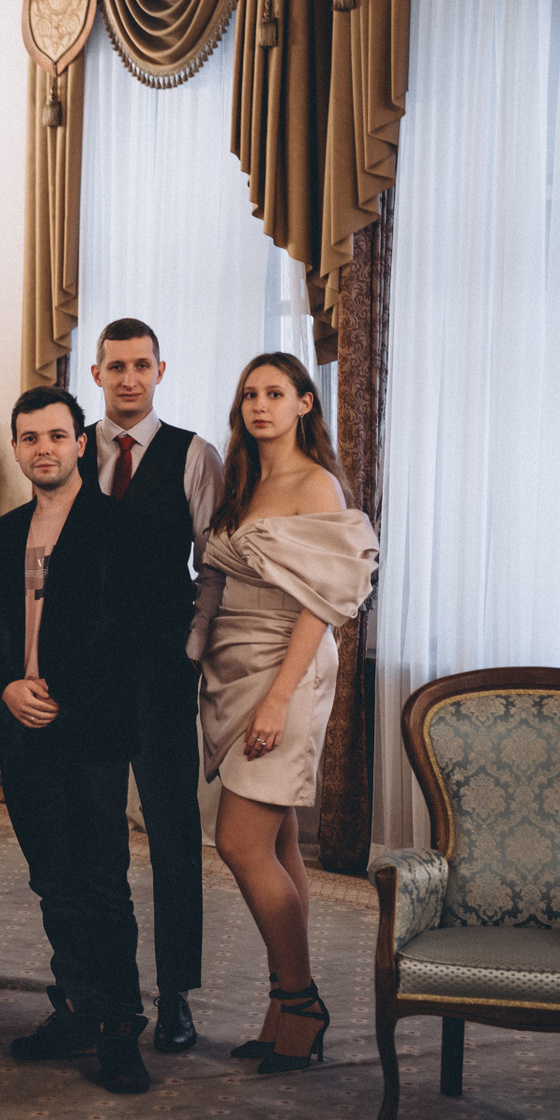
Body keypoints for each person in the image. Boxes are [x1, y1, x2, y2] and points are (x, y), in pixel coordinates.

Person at [0, 386, 190, 1096]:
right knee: (51, 879)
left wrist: (62, 695)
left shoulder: (122, 527)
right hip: (22, 726)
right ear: (17, 448)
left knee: (101, 880)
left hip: (91, 731)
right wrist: (8, 685)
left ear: (80, 444)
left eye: (55, 436)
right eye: (29, 438)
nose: (43, 449)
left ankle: (120, 1024)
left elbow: (139, 634)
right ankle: (75, 1006)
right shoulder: (7, 531)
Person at [199, 353, 376, 1075]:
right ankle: (283, 1008)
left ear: (305, 403)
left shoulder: (315, 482)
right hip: (234, 662)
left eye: (275, 393)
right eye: (250, 393)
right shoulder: (242, 482)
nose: (259, 405)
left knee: (239, 842)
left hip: (288, 668)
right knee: (280, 845)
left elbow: (323, 602)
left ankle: (301, 1001)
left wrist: (278, 697)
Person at [78, 317, 225, 1054]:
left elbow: (215, 563)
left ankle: (176, 995)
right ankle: (107, 988)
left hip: (163, 668)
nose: (129, 378)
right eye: (117, 366)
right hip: (88, 674)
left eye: (142, 365)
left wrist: (192, 648)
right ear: (96, 374)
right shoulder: (73, 448)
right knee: (97, 836)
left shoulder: (194, 454)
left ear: (160, 371)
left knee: (172, 834)